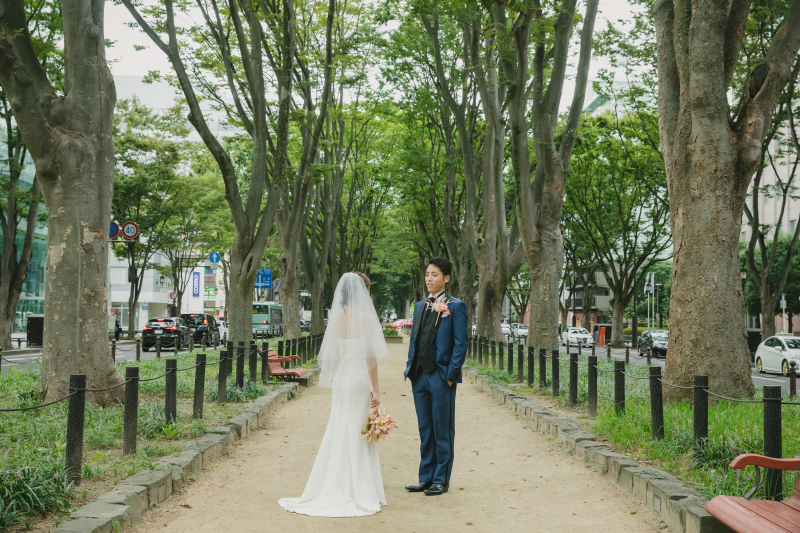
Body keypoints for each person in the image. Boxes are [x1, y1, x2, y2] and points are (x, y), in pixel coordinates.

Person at [278, 272, 388, 517]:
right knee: (357, 428)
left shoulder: (337, 317)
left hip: (341, 380)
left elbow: (335, 355)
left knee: (340, 425)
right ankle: (355, 486)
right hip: (358, 379)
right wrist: (376, 389)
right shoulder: (367, 318)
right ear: (362, 291)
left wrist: (335, 376)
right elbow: (371, 358)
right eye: (367, 289)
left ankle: (334, 480)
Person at [403, 256, 468, 496]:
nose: (429, 278)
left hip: (441, 377)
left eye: (435, 275)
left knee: (443, 429)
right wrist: (411, 368)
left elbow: (461, 344)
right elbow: (414, 339)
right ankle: (426, 477)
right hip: (419, 377)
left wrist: (450, 375)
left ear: (446, 278)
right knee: (425, 428)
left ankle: (441, 479)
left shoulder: (456, 306)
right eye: (428, 274)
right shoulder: (420, 306)